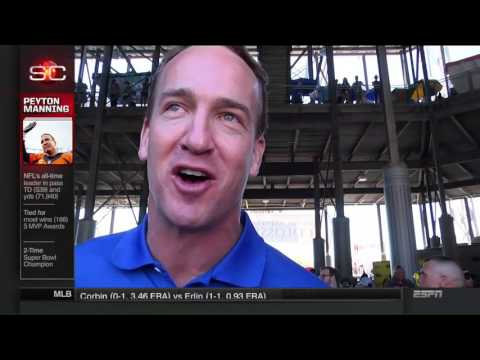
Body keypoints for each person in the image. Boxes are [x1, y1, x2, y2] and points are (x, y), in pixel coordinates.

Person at [75, 46, 328, 289]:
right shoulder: (70, 276)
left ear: (255, 154)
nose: (197, 140)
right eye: (176, 107)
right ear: (145, 137)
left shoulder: (311, 300)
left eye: (229, 116)